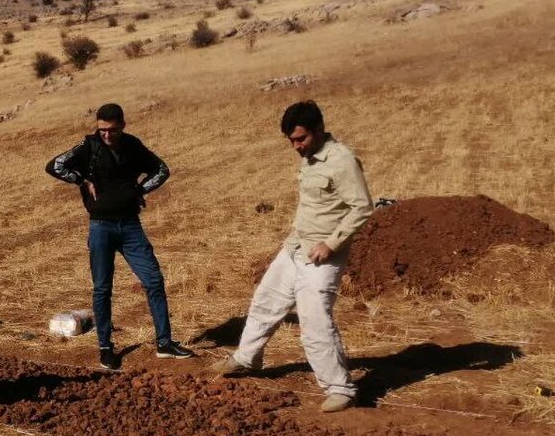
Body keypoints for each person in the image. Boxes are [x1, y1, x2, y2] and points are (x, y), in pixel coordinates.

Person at [214, 101, 373, 412]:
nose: (296, 146)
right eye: (291, 141)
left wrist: (331, 243)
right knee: (265, 300)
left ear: (318, 130)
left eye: (301, 139)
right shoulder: (310, 157)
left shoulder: (341, 160)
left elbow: (362, 208)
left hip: (322, 256)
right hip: (296, 246)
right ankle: (247, 358)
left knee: (315, 322)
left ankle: (341, 389)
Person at [45, 103, 194, 370]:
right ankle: (105, 347)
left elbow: (161, 170)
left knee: (154, 280)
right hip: (100, 227)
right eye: (102, 130)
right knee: (103, 289)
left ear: (122, 126)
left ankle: (165, 343)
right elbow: (54, 165)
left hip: (130, 226)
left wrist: (140, 190)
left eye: (112, 130)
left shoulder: (133, 146)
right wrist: (81, 180)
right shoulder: (89, 146)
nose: (106, 135)